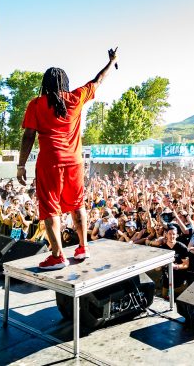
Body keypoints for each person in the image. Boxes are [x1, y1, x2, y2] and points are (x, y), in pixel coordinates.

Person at [17, 50, 118, 270]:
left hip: (50, 163)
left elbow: (28, 136)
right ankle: (83, 247)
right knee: (77, 204)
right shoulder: (76, 98)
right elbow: (98, 80)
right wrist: (112, 62)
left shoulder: (36, 104)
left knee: (50, 209)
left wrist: (21, 165)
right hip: (75, 162)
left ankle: (57, 256)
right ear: (65, 83)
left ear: (45, 84)